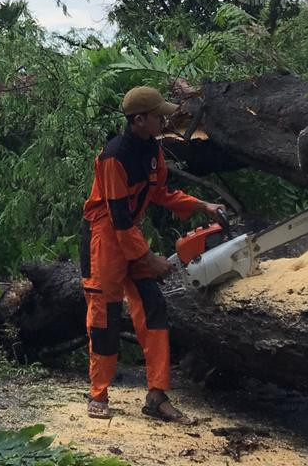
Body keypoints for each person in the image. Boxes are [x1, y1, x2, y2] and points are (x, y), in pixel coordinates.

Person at [81, 85, 226, 423]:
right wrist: (147, 259)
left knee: (154, 307)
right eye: (159, 115)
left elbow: (161, 192)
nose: (165, 119)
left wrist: (201, 205)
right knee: (104, 316)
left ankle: (157, 395)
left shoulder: (152, 151)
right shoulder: (113, 156)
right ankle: (98, 394)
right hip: (104, 237)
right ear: (139, 119)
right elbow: (116, 216)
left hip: (128, 232)